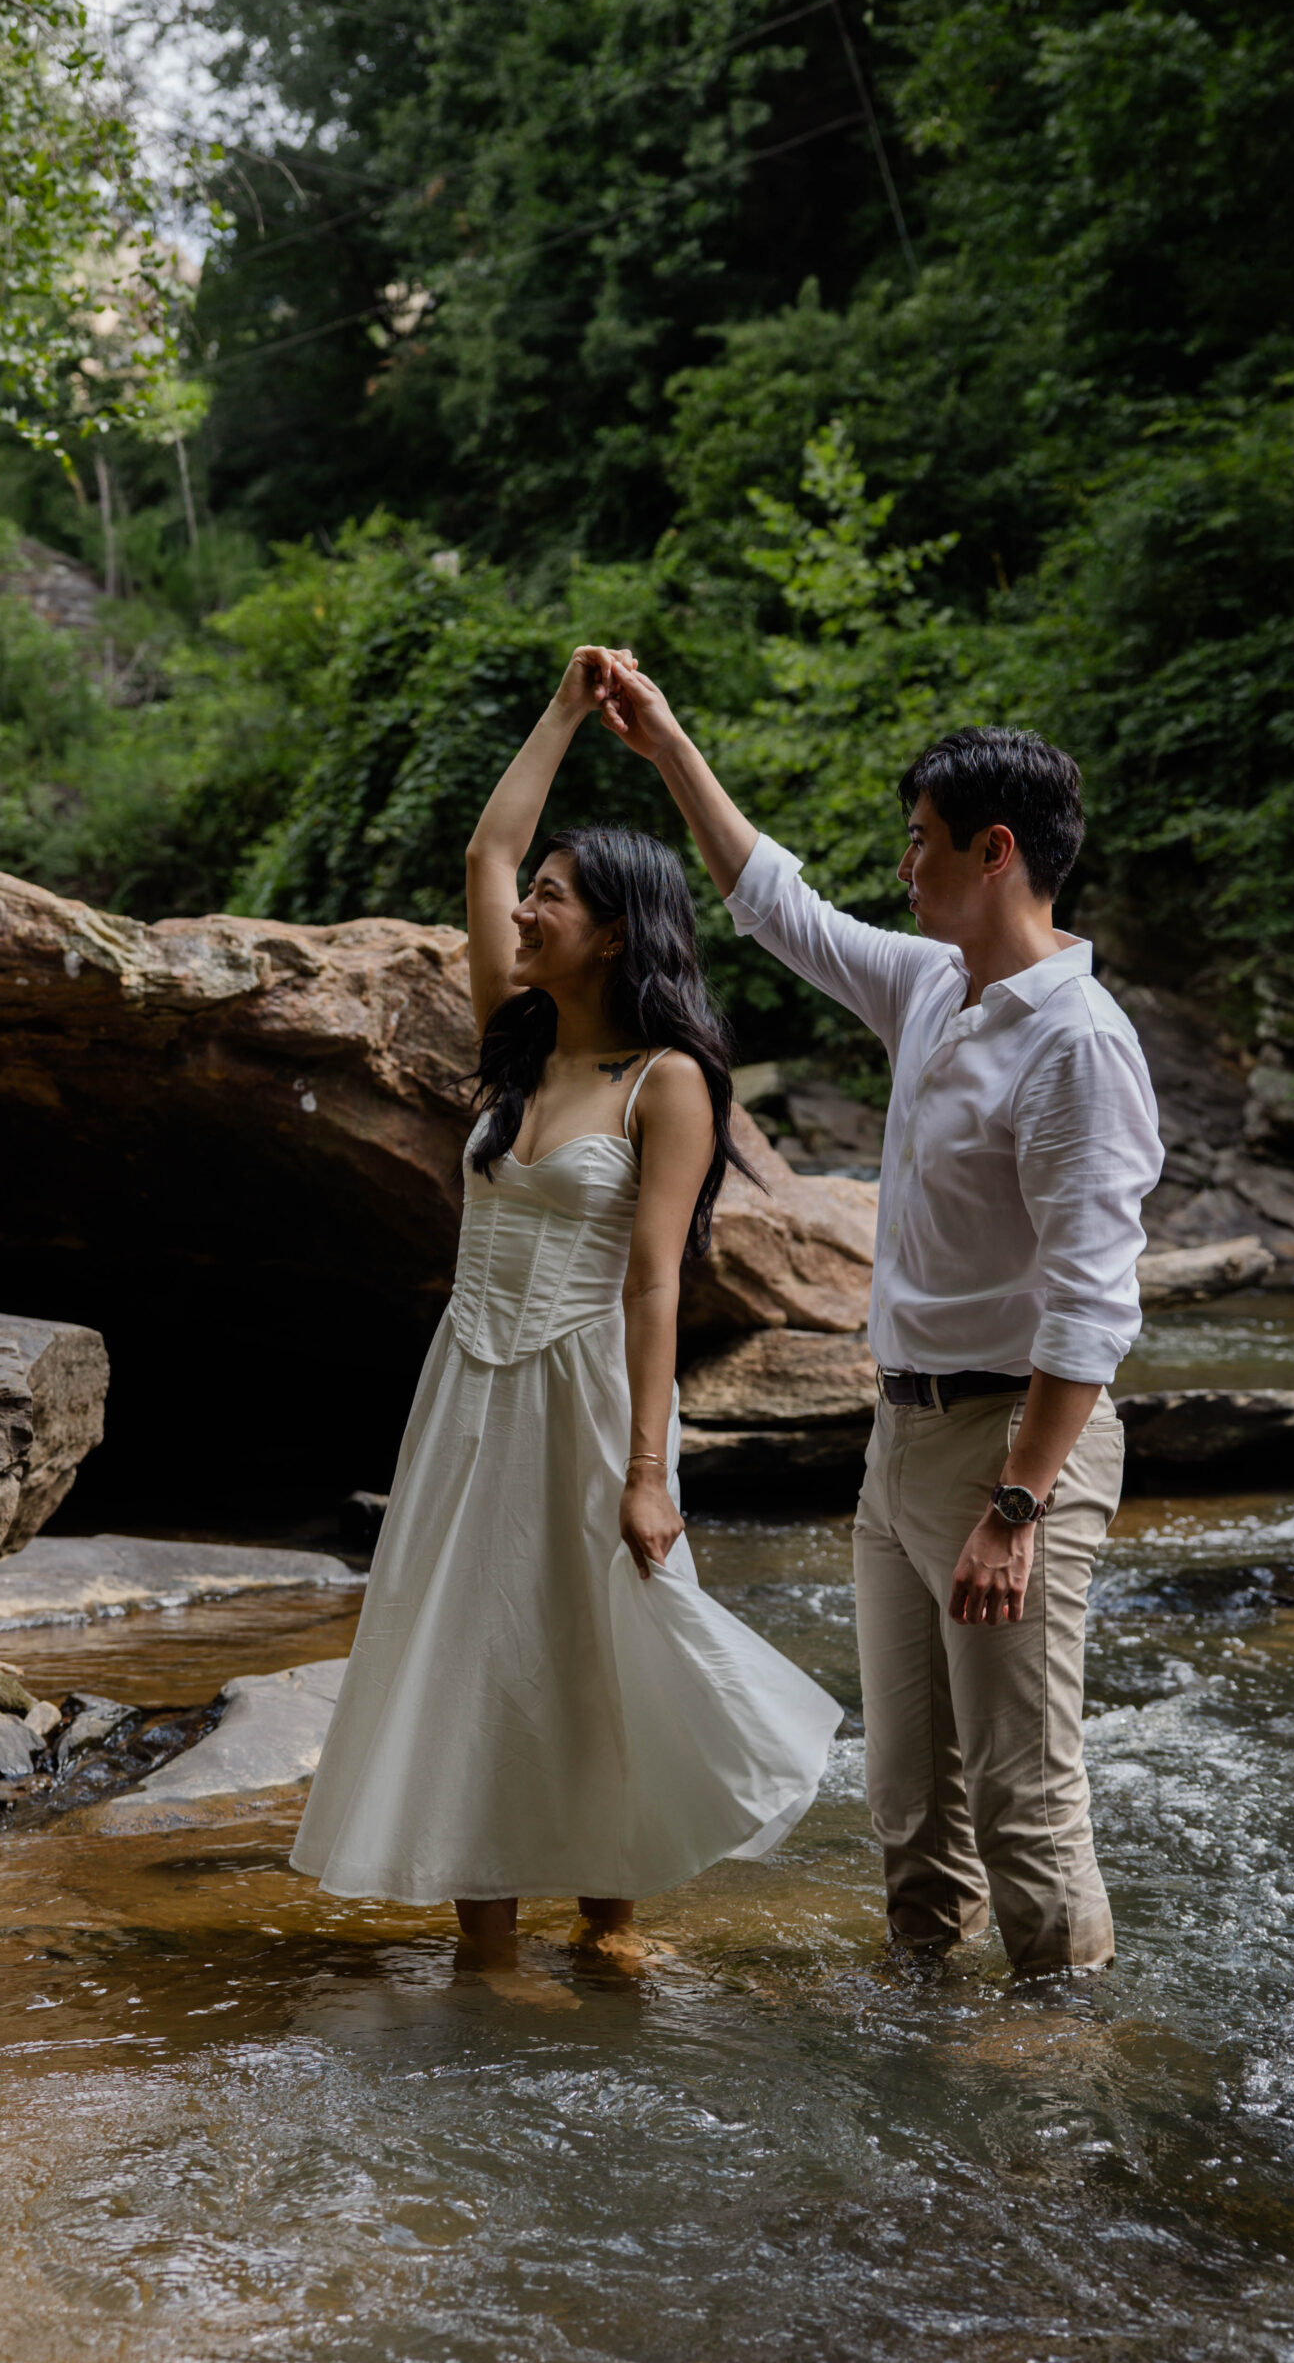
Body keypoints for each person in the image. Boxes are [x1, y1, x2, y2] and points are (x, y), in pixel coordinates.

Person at [596, 659, 1162, 1974]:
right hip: (898, 1439)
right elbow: (772, 904)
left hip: (1014, 1451)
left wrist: (1018, 1507)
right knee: (909, 1810)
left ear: (996, 851)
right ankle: (930, 2053)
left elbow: (1092, 1303)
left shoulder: (1078, 1044)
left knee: (1024, 1804)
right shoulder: (931, 988)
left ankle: (1061, 2093)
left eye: (921, 845)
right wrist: (669, 742)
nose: (905, 870)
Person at [291, 648, 841, 1961]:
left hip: (586, 1394)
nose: (525, 913)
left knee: (598, 1646)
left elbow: (657, 1281)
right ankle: (484, 1933)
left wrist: (653, 1473)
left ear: (614, 930)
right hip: (467, 1389)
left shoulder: (668, 1083)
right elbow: (488, 853)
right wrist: (559, 713)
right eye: (532, 901)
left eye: (553, 902)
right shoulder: (517, 1043)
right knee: (468, 1646)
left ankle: (611, 1918)